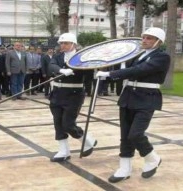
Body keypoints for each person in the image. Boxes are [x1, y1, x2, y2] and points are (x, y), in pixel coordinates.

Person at [96, 27, 170, 183]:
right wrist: (106, 66)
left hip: (147, 99)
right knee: (125, 136)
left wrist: (110, 74)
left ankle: (152, 158)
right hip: (128, 97)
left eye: (149, 38)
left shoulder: (162, 57)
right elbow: (123, 68)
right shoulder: (138, 55)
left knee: (135, 134)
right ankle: (124, 168)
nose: (144, 40)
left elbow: (139, 70)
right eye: (144, 37)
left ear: (158, 42)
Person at [48, 33, 97, 162]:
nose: (63, 46)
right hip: (57, 92)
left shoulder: (81, 58)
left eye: (66, 43)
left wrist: (89, 88)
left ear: (73, 44)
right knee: (58, 123)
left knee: (68, 124)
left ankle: (87, 139)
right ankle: (64, 151)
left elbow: (89, 75)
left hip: (74, 94)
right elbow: (51, 65)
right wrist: (61, 70)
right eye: (61, 43)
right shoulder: (58, 56)